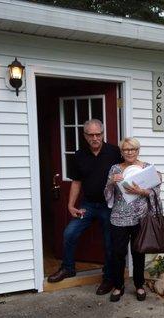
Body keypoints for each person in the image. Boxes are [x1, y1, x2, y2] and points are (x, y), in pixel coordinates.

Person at [47, 119, 122, 296]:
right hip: (87, 205)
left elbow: (130, 164)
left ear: (103, 134)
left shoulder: (114, 152)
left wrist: (148, 170)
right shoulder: (79, 155)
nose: (95, 138)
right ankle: (68, 268)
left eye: (98, 134)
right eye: (91, 134)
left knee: (109, 242)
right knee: (70, 233)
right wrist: (70, 205)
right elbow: (76, 182)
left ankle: (109, 277)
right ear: (85, 135)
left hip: (109, 205)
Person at [104, 137, 162, 302]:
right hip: (119, 218)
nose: (129, 152)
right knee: (118, 254)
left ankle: (139, 285)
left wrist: (143, 192)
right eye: (126, 149)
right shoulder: (115, 169)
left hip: (140, 218)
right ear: (121, 152)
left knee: (138, 253)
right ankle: (118, 286)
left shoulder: (147, 168)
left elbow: (156, 191)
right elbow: (107, 194)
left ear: (138, 151)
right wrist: (110, 181)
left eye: (133, 149)